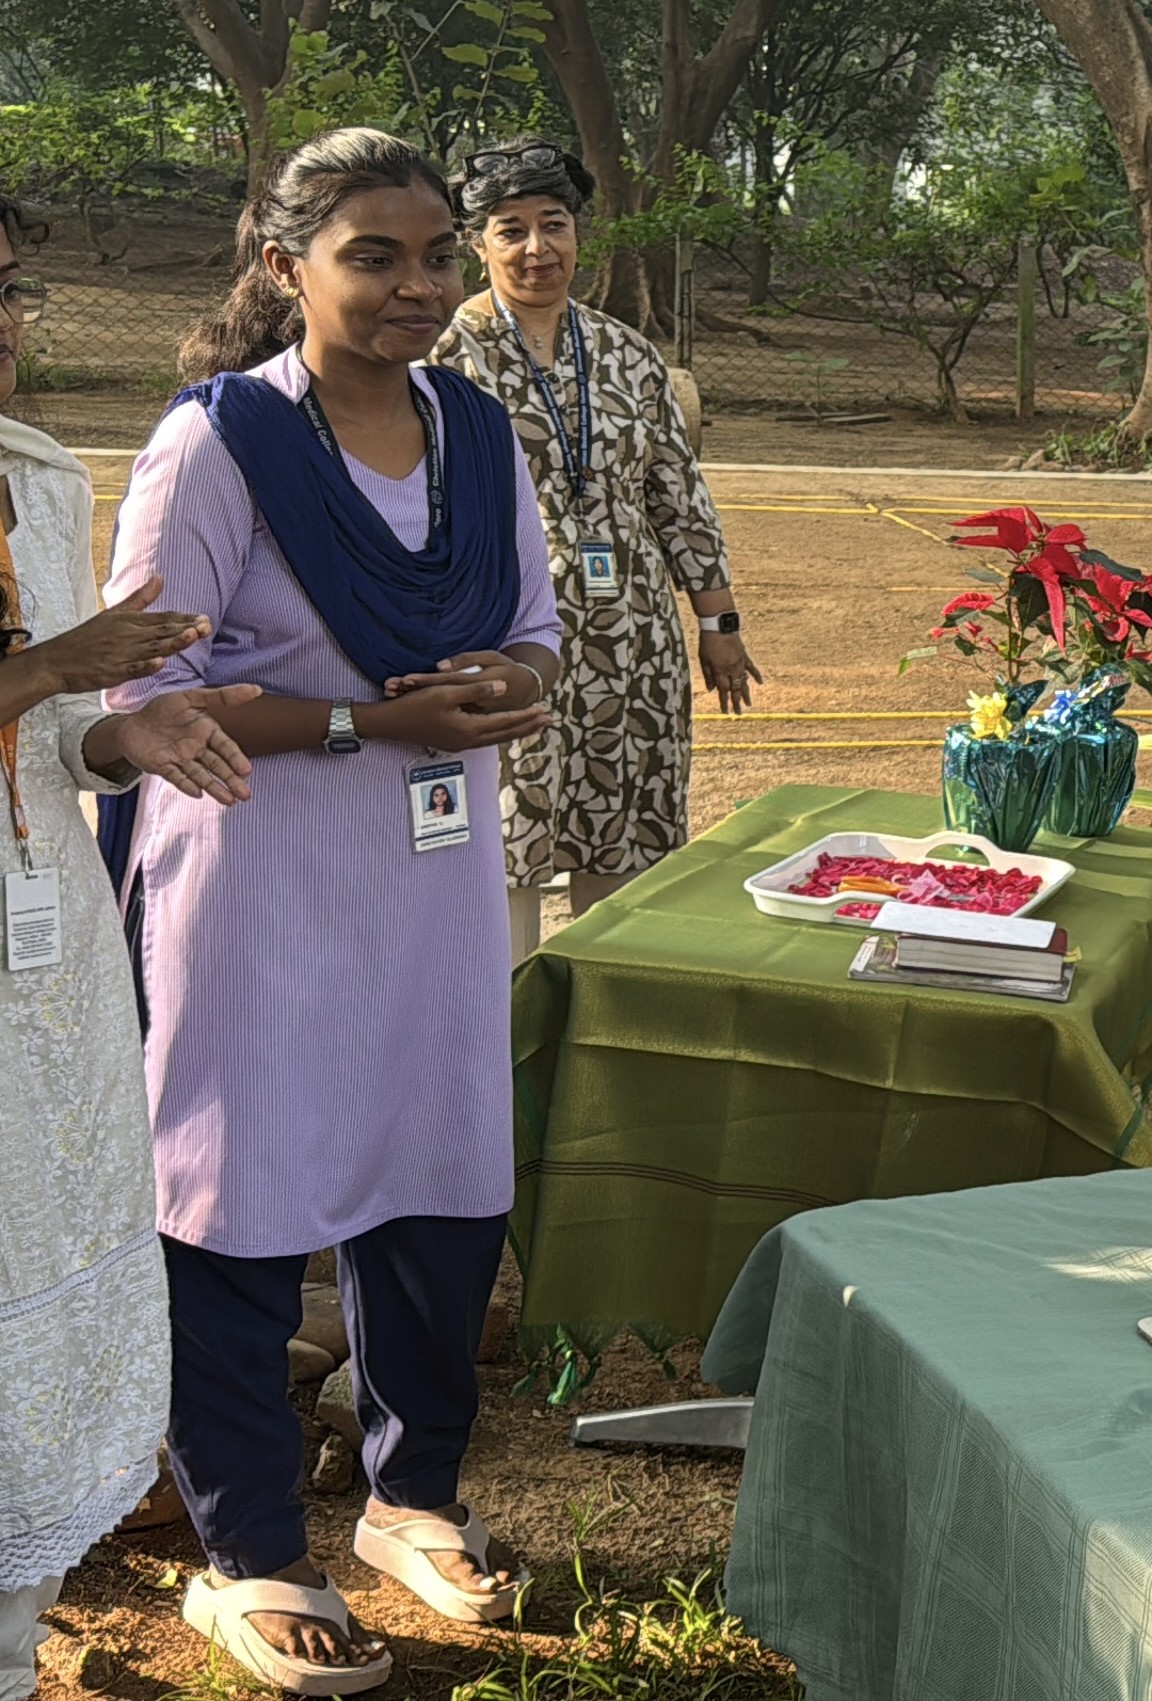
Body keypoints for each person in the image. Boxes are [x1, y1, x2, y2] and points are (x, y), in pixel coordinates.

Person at [106, 127, 564, 1694]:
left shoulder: (479, 435)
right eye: (375, 255)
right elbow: (149, 688)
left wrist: (514, 683)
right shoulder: (221, 443)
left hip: (432, 878)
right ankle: (249, 1548)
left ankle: (407, 1496)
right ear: (280, 264)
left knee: (438, 1177)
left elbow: (537, 638)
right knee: (242, 1185)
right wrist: (379, 723)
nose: (420, 286)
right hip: (257, 876)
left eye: (437, 255)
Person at [0, 191, 261, 1701]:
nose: (5, 322)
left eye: (10, 287)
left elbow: (52, 740)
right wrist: (47, 667)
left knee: (48, 1268)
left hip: (47, 974)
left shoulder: (37, 476)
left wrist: (124, 735)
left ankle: (17, 1638)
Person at [429, 137, 754, 961]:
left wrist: (717, 624)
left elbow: (675, 492)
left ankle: (602, 1029)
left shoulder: (625, 353)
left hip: (629, 639)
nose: (537, 249)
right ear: (477, 243)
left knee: (625, 833)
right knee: (506, 835)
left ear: (580, 234)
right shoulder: (444, 358)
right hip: (503, 634)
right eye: (511, 230)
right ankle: (498, 1047)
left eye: (554, 224)